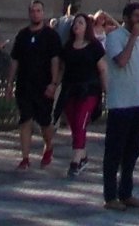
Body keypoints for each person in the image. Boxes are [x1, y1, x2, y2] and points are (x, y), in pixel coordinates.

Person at [101, 2, 139, 210]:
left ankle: (126, 192)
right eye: (137, 16)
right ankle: (110, 196)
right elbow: (121, 61)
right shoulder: (115, 38)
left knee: (132, 151)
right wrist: (132, 37)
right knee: (115, 151)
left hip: (137, 102)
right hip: (120, 104)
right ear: (127, 18)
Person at [9, 0, 62, 171]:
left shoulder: (51, 36)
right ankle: (25, 158)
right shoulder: (22, 35)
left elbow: (55, 60)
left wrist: (53, 83)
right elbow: (15, 60)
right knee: (25, 120)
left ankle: (49, 146)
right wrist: (9, 83)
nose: (35, 14)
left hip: (44, 84)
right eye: (33, 11)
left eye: (39, 11)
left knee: (44, 122)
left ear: (43, 13)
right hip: (24, 84)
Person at [55, 14, 105, 178]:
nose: (77, 25)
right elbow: (61, 68)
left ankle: (75, 161)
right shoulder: (68, 47)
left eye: (81, 22)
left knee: (80, 121)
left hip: (88, 90)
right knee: (74, 124)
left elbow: (103, 69)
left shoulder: (94, 47)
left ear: (87, 27)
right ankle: (82, 155)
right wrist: (54, 84)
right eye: (75, 22)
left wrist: (106, 89)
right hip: (70, 90)